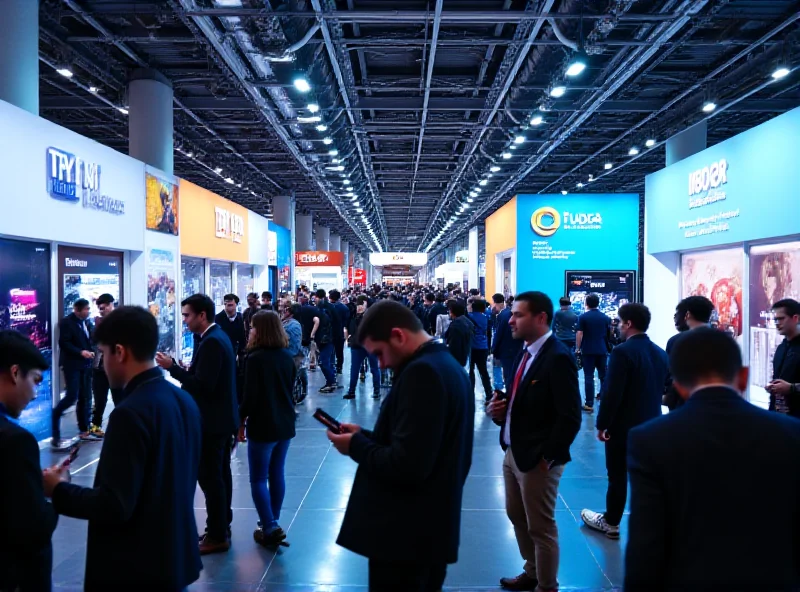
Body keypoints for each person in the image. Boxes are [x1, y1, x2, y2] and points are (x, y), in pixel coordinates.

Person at [624, 327, 800, 591]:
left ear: (679, 386)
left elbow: (646, 545)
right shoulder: (791, 434)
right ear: (743, 377)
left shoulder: (650, 440)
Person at [43, 306, 203, 591]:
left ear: (120, 352)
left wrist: (58, 489)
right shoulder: (183, 399)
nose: (103, 363)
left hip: (135, 567)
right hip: (175, 556)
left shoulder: (131, 413)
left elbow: (114, 505)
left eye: (104, 354)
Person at [328, 301, 474, 591]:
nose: (380, 364)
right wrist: (367, 435)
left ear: (398, 335)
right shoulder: (447, 366)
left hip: (406, 536)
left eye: (380, 353)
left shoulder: (423, 374)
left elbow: (408, 465)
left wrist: (356, 446)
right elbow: (422, 440)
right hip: (429, 528)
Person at [486, 291, 581, 592]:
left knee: (540, 526)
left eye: (518, 315)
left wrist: (547, 457)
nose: (510, 320)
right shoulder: (523, 353)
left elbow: (570, 416)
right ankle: (533, 571)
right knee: (516, 515)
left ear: (540, 318)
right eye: (511, 313)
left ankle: (547, 585)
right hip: (513, 450)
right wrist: (498, 410)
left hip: (538, 458)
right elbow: (521, 400)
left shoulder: (557, 357)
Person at [156, 294, 239, 555]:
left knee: (211, 479)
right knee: (220, 475)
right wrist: (187, 370)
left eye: (187, 315)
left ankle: (217, 534)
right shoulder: (214, 338)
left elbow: (204, 386)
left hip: (212, 423)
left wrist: (172, 369)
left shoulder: (213, 341)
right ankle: (220, 526)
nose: (184, 320)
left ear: (202, 315)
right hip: (220, 420)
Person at [580, 303, 669, 539]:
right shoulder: (660, 353)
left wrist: (602, 424)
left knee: (617, 475)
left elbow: (612, 393)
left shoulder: (622, 352)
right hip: (652, 425)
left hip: (623, 427)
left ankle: (611, 521)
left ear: (628, 323)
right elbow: (668, 388)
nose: (617, 327)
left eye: (619, 322)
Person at [0, 331, 57, 592]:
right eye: (35, 381)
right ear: (14, 372)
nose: (35, 394)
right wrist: (52, 492)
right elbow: (33, 528)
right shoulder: (15, 441)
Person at [238, 311, 297, 548]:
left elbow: (249, 397)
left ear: (260, 330)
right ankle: (272, 522)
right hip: (285, 423)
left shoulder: (255, 358)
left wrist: (240, 421)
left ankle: (269, 525)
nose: (250, 330)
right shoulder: (286, 356)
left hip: (263, 424)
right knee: (277, 473)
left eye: (252, 327)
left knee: (258, 478)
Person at [53, 298, 97, 448]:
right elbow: (64, 343)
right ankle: (55, 429)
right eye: (86, 309)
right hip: (72, 365)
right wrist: (80, 352)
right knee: (72, 396)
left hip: (85, 365)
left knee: (85, 397)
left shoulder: (85, 322)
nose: (88, 311)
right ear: (77, 310)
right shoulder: (67, 322)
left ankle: (84, 430)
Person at [663, 295, 714, 410]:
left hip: (683, 405)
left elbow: (669, 375)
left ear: (688, 315)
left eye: (678, 314)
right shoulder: (726, 341)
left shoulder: (676, 341)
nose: (676, 318)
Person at [90, 293, 123, 436]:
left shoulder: (121, 321)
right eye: (99, 309)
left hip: (115, 367)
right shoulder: (98, 322)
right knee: (99, 399)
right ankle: (95, 427)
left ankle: (122, 428)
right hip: (99, 367)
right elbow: (95, 341)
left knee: (119, 398)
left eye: (103, 308)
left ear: (111, 305)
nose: (101, 311)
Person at [575, 293, 611, 412]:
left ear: (586, 303)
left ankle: (589, 404)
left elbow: (580, 333)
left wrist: (578, 348)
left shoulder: (583, 317)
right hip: (602, 350)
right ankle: (604, 399)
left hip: (588, 350)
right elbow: (608, 335)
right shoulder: (606, 318)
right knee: (603, 376)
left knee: (588, 376)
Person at [766, 298, 800, 416]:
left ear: (795, 318)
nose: (777, 323)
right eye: (775, 319)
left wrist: (792, 388)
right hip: (780, 417)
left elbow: (789, 386)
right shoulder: (781, 348)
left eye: (781, 319)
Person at [344, 295, 381, 400]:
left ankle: (377, 391)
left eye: (362, 305)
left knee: (374, 368)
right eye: (358, 305)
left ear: (366, 304)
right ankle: (351, 391)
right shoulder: (353, 315)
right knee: (354, 368)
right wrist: (348, 338)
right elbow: (347, 327)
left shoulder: (372, 316)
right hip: (356, 345)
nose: (360, 307)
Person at [491, 293, 522, 391]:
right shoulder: (508, 315)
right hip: (515, 350)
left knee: (508, 376)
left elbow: (498, 334)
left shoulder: (504, 315)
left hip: (507, 351)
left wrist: (494, 349)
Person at [311, 293, 338, 393]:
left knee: (324, 362)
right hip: (328, 340)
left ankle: (331, 382)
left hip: (325, 341)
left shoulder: (321, 316)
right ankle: (331, 382)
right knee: (326, 362)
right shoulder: (328, 314)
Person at [468, 299, 493, 400]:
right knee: (483, 371)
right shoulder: (486, 317)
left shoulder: (469, 316)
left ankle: (470, 393)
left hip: (472, 347)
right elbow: (489, 333)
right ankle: (488, 393)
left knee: (471, 370)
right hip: (483, 347)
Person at [282, 303, 307, 403]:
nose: (283, 311)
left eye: (285, 309)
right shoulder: (286, 322)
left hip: (291, 356)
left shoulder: (293, 325)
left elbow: (294, 346)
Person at [215, 293, 247, 359]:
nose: (227, 307)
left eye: (230, 305)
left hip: (239, 355)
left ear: (236, 305)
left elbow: (243, 338)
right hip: (222, 355)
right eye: (225, 304)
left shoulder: (241, 318)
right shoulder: (217, 319)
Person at [445, 300, 473, 368]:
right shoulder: (468, 322)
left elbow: (454, 345)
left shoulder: (455, 325)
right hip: (466, 354)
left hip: (457, 359)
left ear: (453, 312)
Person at [329, 290, 351, 375]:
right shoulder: (344, 308)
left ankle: (331, 365)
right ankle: (339, 367)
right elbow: (347, 321)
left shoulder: (328, 307)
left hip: (330, 332)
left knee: (330, 350)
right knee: (339, 351)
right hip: (340, 331)